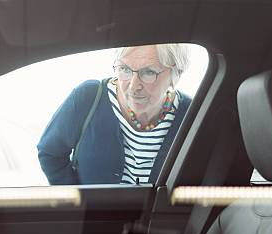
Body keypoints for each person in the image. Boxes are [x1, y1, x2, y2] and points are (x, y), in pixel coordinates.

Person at [37, 44, 192, 185]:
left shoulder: (191, 114)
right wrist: (78, 206)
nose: (133, 86)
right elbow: (50, 153)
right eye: (124, 69)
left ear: (176, 74)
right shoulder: (88, 97)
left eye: (148, 72)